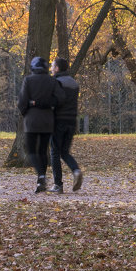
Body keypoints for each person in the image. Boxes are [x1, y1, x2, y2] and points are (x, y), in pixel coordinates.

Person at [17, 56, 57, 192]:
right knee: (43, 150)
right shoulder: (52, 81)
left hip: (32, 120)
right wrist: (45, 104)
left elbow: (22, 101)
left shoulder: (28, 80)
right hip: (47, 120)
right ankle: (42, 178)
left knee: (31, 150)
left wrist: (28, 109)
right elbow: (58, 99)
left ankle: (41, 177)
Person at [48, 57, 83, 193]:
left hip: (58, 121)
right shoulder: (74, 83)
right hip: (71, 121)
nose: (51, 68)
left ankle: (58, 185)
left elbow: (52, 103)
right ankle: (76, 170)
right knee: (64, 152)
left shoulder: (55, 82)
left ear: (57, 68)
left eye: (52, 66)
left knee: (55, 152)